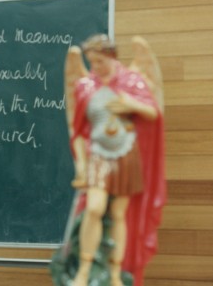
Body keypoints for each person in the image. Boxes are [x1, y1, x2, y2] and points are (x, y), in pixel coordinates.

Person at [63, 34, 166, 286]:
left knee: (120, 214)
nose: (95, 67)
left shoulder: (132, 81)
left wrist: (132, 104)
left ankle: (116, 273)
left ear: (111, 56)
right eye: (91, 62)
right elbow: (77, 129)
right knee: (95, 207)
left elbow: (153, 113)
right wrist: (81, 165)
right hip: (99, 154)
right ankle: (84, 270)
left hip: (126, 153)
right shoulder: (85, 85)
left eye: (99, 61)